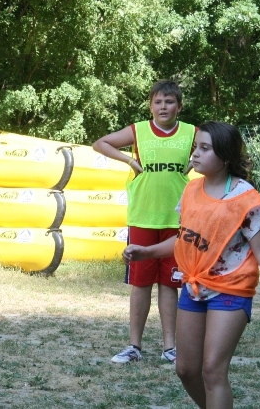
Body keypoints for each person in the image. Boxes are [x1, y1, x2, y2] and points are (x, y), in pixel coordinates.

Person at [123, 121, 260, 409]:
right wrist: (147, 252)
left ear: (225, 157)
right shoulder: (191, 191)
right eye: (195, 147)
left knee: (212, 370)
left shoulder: (244, 198)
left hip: (231, 290)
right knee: (185, 369)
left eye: (205, 149)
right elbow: (183, 239)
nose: (195, 154)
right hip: (194, 288)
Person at [93, 79, 195, 364]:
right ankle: (134, 346)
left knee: (169, 284)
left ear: (179, 106)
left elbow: (217, 148)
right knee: (140, 284)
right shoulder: (139, 131)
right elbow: (100, 143)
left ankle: (170, 347)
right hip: (142, 218)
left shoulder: (190, 133)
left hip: (176, 220)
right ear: (150, 106)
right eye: (158, 102)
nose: (164, 106)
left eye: (170, 102)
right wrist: (128, 161)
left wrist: (194, 162)